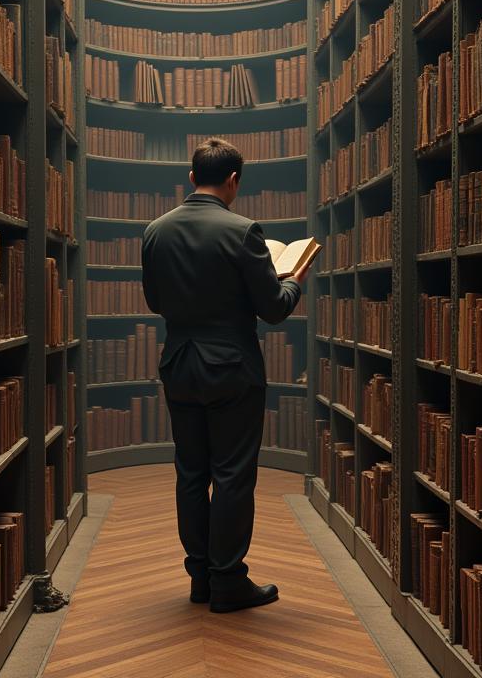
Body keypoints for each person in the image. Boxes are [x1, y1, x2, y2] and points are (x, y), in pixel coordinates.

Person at [141, 137, 311, 613]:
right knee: (233, 475)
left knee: (191, 473)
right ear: (233, 180)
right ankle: (228, 581)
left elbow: (155, 302)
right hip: (232, 370)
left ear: (192, 177)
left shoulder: (156, 231)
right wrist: (294, 277)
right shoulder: (243, 231)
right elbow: (274, 310)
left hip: (179, 365)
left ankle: (200, 577)